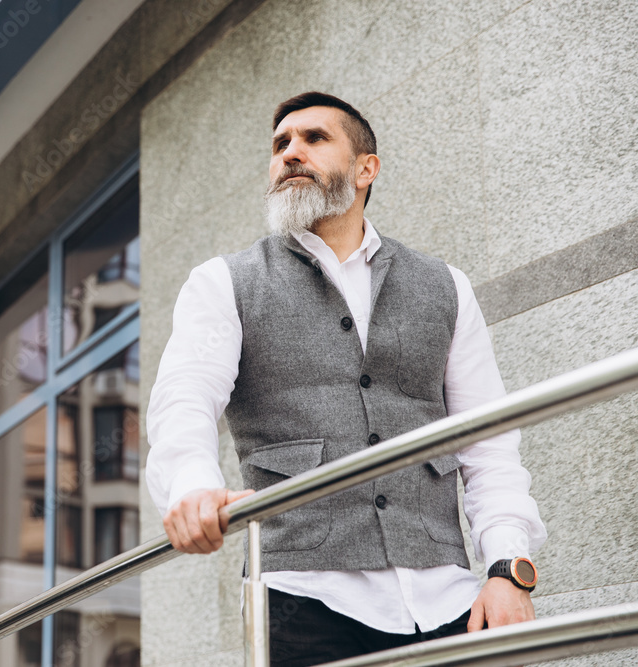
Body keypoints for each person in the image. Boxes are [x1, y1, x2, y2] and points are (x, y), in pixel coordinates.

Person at [144, 91, 547, 666]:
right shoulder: (224, 282)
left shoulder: (444, 286)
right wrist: (190, 485)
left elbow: (489, 441)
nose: (290, 153)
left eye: (314, 139)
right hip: (301, 600)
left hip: (447, 599)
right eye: (280, 144)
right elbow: (184, 397)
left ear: (366, 169)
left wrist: (508, 568)